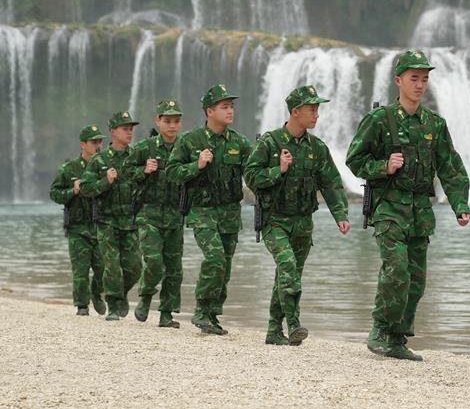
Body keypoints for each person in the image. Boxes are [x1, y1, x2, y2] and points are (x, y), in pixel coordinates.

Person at [346, 50, 470, 361]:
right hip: (388, 207)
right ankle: (379, 328)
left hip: (420, 211)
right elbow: (354, 160)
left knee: (416, 280)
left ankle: (398, 338)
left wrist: (460, 204)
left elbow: (450, 167)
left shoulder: (434, 124)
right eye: (414, 78)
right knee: (396, 270)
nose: (420, 84)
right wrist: (383, 167)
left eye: (424, 79)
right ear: (398, 80)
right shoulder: (380, 120)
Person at [244, 85, 351, 346]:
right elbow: (250, 177)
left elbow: (331, 183)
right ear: (295, 111)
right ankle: (293, 324)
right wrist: (277, 170)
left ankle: (273, 330)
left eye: (318, 109)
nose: (317, 115)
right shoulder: (270, 143)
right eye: (312, 109)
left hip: (303, 223)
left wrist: (341, 215)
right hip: (274, 221)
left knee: (288, 274)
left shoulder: (317, 148)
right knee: (288, 267)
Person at [166, 84, 252, 335]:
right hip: (202, 212)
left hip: (230, 213)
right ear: (209, 111)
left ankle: (212, 316)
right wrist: (197, 165)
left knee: (224, 265)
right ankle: (202, 310)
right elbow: (172, 172)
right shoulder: (190, 141)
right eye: (224, 107)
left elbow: (254, 170)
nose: (230, 111)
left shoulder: (240, 142)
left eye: (232, 106)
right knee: (214, 259)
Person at [125, 99, 185, 329]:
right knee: (153, 262)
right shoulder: (144, 148)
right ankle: (145, 296)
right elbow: (126, 174)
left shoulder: (185, 146)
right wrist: (143, 170)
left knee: (174, 267)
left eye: (176, 121)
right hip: (148, 213)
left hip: (174, 215)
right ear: (158, 121)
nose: (172, 126)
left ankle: (167, 313)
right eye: (167, 121)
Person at [80, 111, 143, 321]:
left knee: (134, 267)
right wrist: (105, 181)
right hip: (106, 220)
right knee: (112, 266)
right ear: (113, 132)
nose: (129, 132)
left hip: (130, 220)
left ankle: (116, 292)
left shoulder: (135, 156)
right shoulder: (99, 160)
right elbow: (87, 188)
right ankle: (114, 304)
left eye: (131, 129)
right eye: (125, 128)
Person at [49, 124, 106, 316]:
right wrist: (72, 191)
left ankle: (97, 294)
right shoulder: (69, 169)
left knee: (102, 268)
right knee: (80, 270)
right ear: (83, 144)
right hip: (77, 227)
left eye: (100, 141)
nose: (98, 145)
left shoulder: (106, 165)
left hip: (101, 225)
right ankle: (82, 305)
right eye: (94, 142)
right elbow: (54, 194)